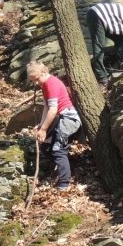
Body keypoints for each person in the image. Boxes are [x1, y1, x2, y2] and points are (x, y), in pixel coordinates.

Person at [27, 61, 81, 192]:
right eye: (33, 81)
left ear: (44, 72)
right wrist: (41, 125)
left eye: (37, 79)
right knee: (46, 147)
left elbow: (53, 110)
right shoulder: (45, 85)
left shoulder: (51, 83)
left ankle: (64, 184)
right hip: (59, 119)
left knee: (58, 150)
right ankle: (67, 169)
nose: (36, 83)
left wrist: (44, 129)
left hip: (68, 120)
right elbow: (46, 107)